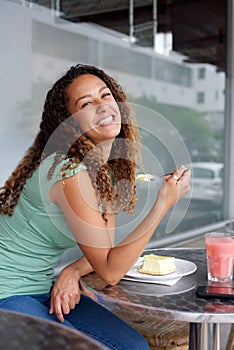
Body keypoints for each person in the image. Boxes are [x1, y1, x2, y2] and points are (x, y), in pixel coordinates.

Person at [0, 64, 191, 350]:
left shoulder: (103, 173)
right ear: (70, 122)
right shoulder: (69, 172)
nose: (103, 106)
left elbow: (105, 253)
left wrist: (73, 271)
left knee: (133, 347)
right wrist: (163, 203)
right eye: (87, 103)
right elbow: (111, 271)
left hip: (41, 289)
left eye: (105, 95)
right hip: (7, 295)